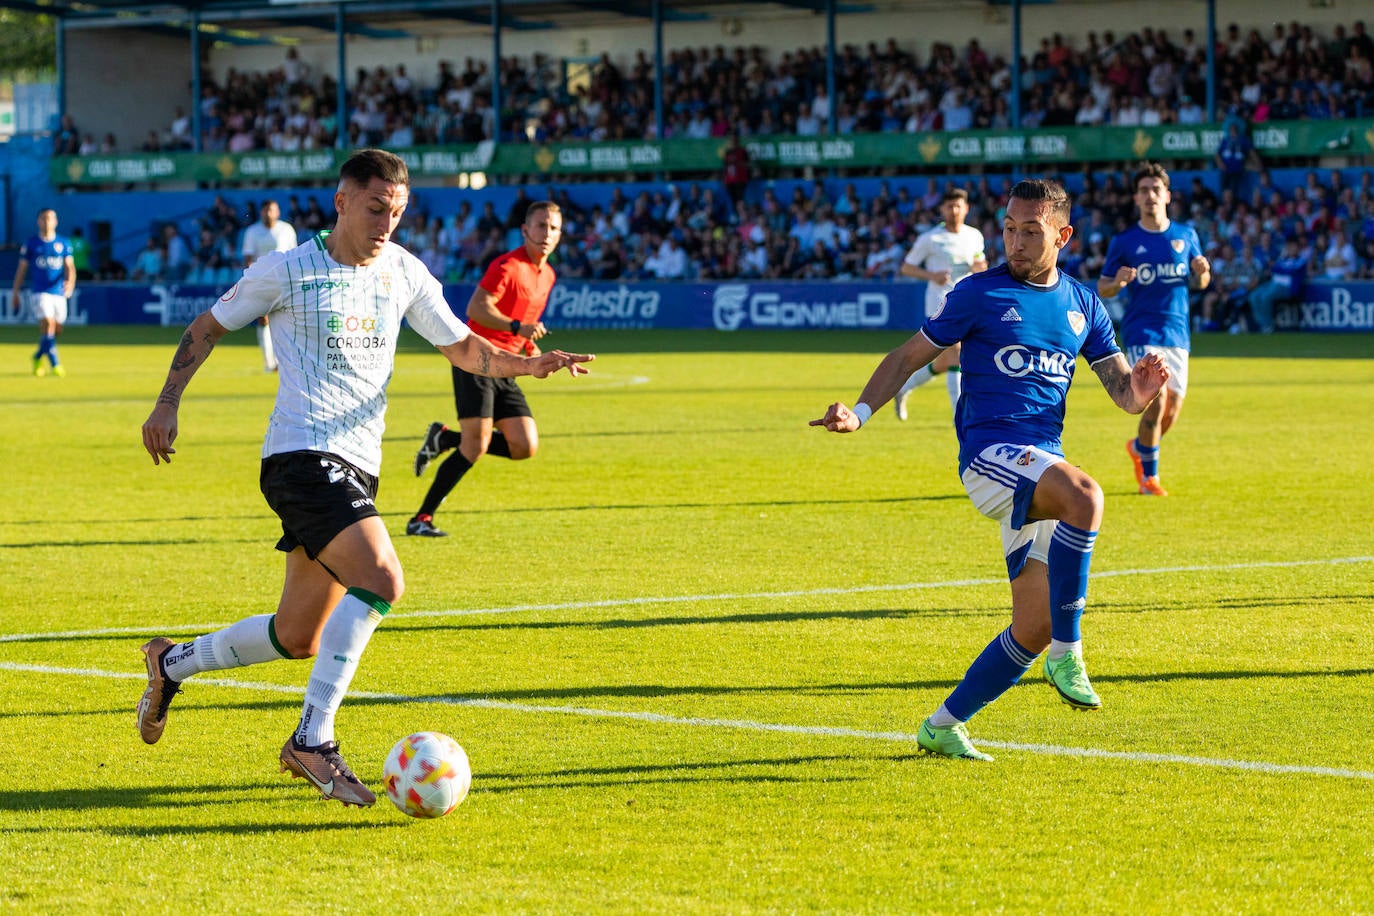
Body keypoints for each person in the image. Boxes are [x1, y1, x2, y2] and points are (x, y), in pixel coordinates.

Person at [135, 149, 593, 807]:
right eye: (377, 207)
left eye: (398, 211)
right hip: (299, 456)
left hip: (358, 465)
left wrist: (530, 365)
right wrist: (167, 403)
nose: (387, 222)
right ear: (343, 200)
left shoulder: (403, 271)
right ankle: (312, 741)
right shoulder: (287, 270)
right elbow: (206, 328)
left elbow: (463, 345)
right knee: (382, 579)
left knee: (298, 635)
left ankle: (169, 664)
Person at [811, 178, 1169, 761]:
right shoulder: (977, 292)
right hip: (990, 457)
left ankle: (943, 725)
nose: (1016, 241)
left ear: (1063, 234)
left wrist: (1144, 391)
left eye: (1031, 230)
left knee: (1029, 624)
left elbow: (1124, 396)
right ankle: (1068, 651)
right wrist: (860, 412)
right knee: (1086, 495)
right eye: (1009, 227)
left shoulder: (1083, 305)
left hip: (1037, 463)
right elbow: (907, 357)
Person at [407, 201, 565, 538]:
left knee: (524, 446)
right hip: (478, 361)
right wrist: (516, 326)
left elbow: (523, 324)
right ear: (524, 230)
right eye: (540, 226)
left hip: (509, 366)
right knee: (475, 446)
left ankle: (445, 438)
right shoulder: (508, 265)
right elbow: (476, 308)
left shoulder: (547, 274)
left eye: (553, 228)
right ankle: (421, 518)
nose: (546, 233)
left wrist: (526, 343)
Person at [1098, 163, 1210, 497]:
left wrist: (1203, 272)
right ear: (1136, 197)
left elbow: (1201, 282)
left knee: (1171, 412)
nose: (1150, 196)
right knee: (1156, 402)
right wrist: (1117, 281)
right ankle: (1150, 477)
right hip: (1141, 330)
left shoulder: (1186, 235)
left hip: (1177, 331)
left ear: (1167, 196)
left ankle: (1139, 448)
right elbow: (1104, 286)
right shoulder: (1125, 240)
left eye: (1156, 189)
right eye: (1144, 190)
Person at [892, 188, 987, 420]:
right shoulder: (930, 238)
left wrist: (980, 268)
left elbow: (980, 262)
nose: (954, 211)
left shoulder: (974, 235)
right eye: (949, 206)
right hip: (940, 302)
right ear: (942, 209)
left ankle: (903, 388)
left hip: (968, 303)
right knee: (955, 352)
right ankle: (960, 417)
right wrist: (932, 275)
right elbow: (906, 267)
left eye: (958, 206)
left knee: (946, 361)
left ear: (966, 209)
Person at [12, 208, 76, 377]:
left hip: (59, 293)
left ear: (56, 221)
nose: (47, 222)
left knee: (56, 329)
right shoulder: (31, 243)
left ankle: (37, 356)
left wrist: (70, 282)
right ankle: (56, 364)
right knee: (48, 323)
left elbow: (70, 267)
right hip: (40, 292)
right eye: (43, 218)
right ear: (38, 221)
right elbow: (21, 270)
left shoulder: (63, 243)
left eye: (50, 218)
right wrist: (15, 292)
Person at [241, 199, 298, 372]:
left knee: (286, 321)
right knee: (263, 319)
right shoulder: (252, 231)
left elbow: (293, 255)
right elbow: (248, 257)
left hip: (285, 281)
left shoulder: (286, 230)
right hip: (262, 282)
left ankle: (284, 360)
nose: (268, 213)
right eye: (265, 210)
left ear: (278, 212)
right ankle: (269, 363)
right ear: (261, 212)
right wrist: (253, 279)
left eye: (271, 210)